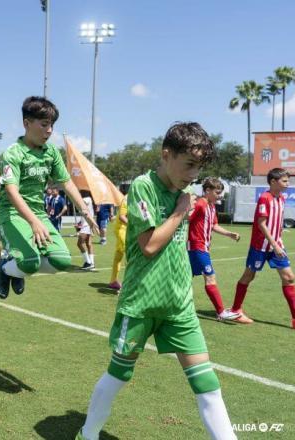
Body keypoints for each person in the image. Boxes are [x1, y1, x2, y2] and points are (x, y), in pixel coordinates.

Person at [77, 122, 236, 440]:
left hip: (179, 305)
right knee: (119, 374)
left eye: (199, 167)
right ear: (166, 155)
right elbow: (149, 246)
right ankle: (88, 434)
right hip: (141, 304)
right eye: (189, 164)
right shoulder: (144, 186)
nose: (193, 174)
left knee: (207, 384)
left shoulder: (186, 191)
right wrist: (179, 212)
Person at [0, 96, 99, 299]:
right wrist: (33, 222)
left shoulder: (50, 151)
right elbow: (11, 191)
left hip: (38, 214)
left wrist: (85, 212)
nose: (50, 130)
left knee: (61, 261)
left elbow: (67, 182)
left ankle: (17, 266)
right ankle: (5, 268)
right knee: (30, 263)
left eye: (51, 125)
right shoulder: (13, 153)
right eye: (44, 124)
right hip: (11, 213)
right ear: (27, 123)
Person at [229, 168, 295, 330]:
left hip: (276, 246)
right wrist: (274, 244)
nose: (288, 184)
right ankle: (236, 310)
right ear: (273, 182)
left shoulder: (281, 199)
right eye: (285, 181)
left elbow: (277, 221)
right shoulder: (264, 198)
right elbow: (261, 224)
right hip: (260, 246)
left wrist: (278, 240)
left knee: (289, 277)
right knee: (248, 276)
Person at [188, 177, 241, 321]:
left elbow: (214, 225)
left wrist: (229, 234)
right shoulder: (200, 204)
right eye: (217, 192)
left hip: (202, 247)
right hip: (196, 247)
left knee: (185, 279)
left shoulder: (211, 206)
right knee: (210, 277)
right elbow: (186, 219)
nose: (220, 195)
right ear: (207, 191)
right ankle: (221, 312)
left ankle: (174, 306)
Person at [108, 196, 127, 291]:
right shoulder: (128, 198)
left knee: (118, 256)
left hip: (125, 229)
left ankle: (113, 281)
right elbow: (122, 216)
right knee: (130, 255)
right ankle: (128, 282)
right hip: (122, 230)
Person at [77, 190, 95, 270]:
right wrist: (79, 223)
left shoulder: (88, 198)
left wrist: (74, 197)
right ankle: (91, 263)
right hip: (86, 224)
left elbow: (81, 202)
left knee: (80, 244)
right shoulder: (86, 199)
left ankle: (88, 262)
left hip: (87, 225)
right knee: (88, 244)